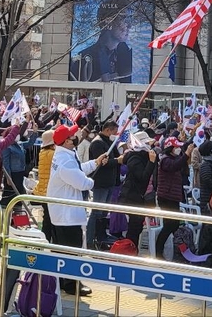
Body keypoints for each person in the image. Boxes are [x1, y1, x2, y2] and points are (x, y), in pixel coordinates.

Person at [45, 123, 108, 296]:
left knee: (63, 249)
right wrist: (94, 181)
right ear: (66, 141)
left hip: (63, 212)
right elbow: (82, 182)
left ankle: (63, 281)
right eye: (73, 135)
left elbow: (79, 169)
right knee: (72, 250)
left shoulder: (65, 154)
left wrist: (95, 163)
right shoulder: (65, 161)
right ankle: (71, 284)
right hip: (66, 214)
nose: (76, 136)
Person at [68, 0, 134, 83]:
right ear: (107, 21)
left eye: (130, 19)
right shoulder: (82, 59)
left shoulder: (130, 57)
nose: (129, 26)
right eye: (123, 19)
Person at [154, 135, 194, 259]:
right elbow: (175, 166)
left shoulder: (174, 158)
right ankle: (158, 252)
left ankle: (176, 250)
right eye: (176, 147)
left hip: (173, 197)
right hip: (166, 197)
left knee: (174, 224)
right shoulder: (165, 160)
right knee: (170, 225)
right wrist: (186, 154)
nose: (178, 149)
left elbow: (182, 167)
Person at [118, 131, 157, 248]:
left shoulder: (143, 156)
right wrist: (151, 162)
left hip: (138, 196)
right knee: (134, 226)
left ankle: (132, 249)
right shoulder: (134, 159)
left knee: (138, 225)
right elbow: (143, 177)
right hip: (130, 197)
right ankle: (129, 250)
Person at [86, 121, 121, 248]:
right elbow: (101, 163)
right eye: (114, 132)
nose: (115, 135)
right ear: (107, 130)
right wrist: (117, 161)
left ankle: (101, 236)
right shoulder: (97, 143)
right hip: (101, 182)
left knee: (104, 212)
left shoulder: (109, 142)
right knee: (96, 212)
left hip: (109, 182)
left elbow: (116, 156)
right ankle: (90, 240)